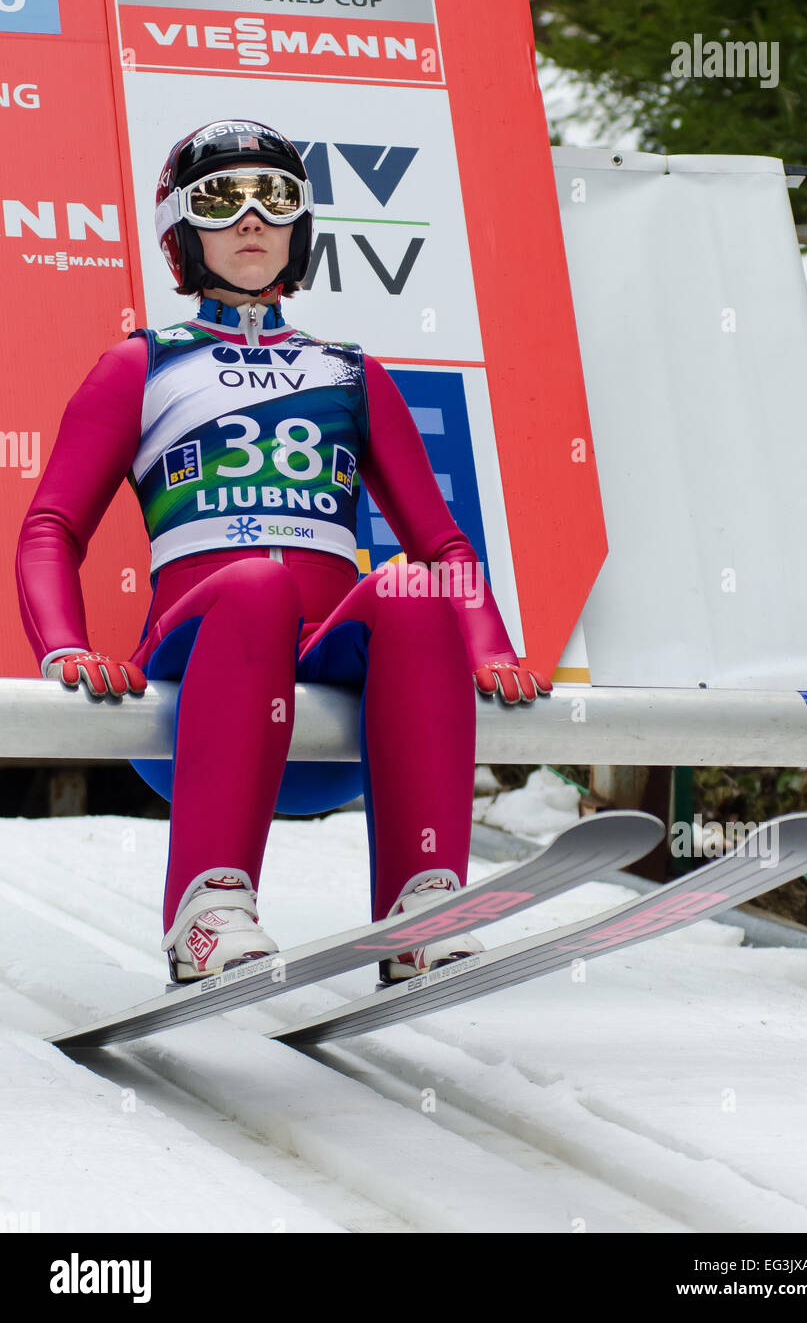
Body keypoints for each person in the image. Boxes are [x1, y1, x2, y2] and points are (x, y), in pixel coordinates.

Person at [16, 118, 553, 985]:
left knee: (413, 591)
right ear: (181, 231)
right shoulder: (140, 363)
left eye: (275, 197)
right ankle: (206, 909)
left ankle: (423, 905)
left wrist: (489, 648)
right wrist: (65, 647)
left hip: (324, 686)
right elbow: (51, 528)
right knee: (257, 583)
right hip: (195, 682)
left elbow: (441, 540)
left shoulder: (350, 369)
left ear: (302, 224)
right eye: (221, 199)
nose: (251, 217)